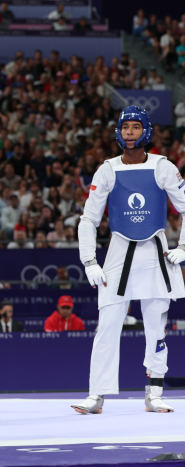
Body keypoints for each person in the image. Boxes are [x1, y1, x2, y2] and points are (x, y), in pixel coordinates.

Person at [72, 106, 185, 415]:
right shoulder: (107, 169)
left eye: (136, 127)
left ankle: (155, 392)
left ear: (146, 131)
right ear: (118, 132)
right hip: (118, 253)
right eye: (125, 128)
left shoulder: (163, 167)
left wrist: (184, 247)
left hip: (155, 253)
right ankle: (97, 395)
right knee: (107, 324)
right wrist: (89, 261)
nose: (130, 133)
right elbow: (88, 219)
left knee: (156, 326)